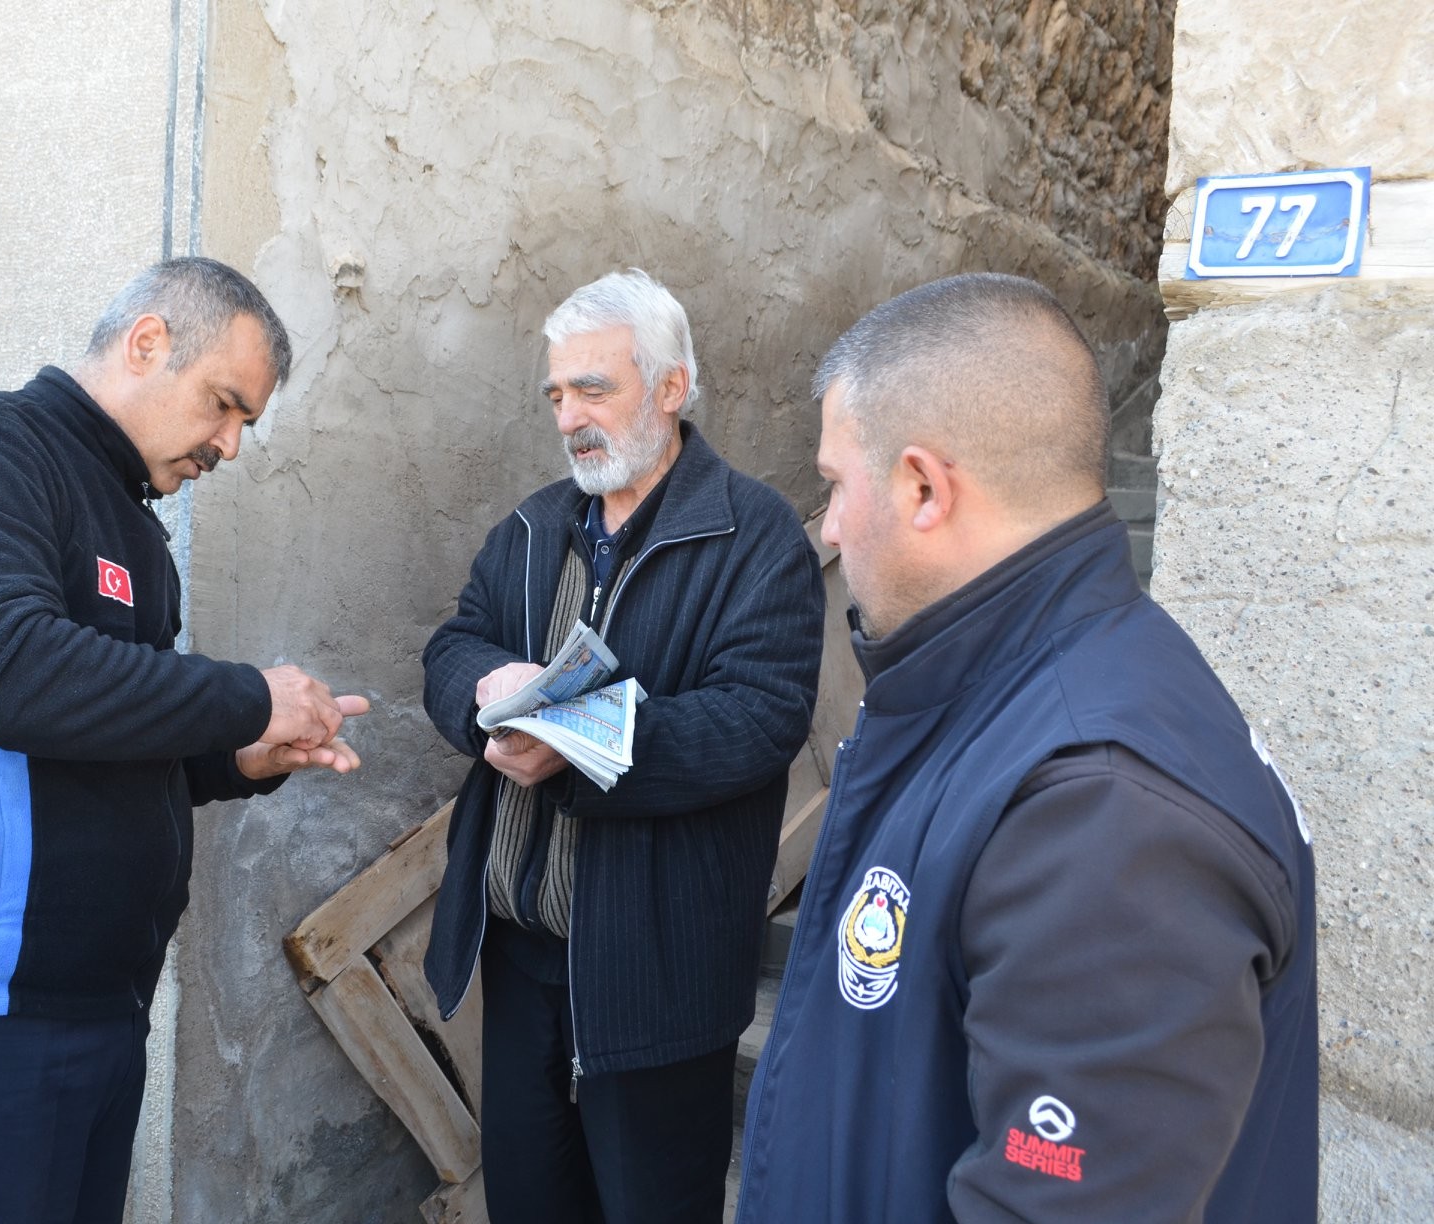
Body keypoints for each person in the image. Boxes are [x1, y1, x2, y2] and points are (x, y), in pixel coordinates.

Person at [735, 273, 1317, 1222]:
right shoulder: (1009, 695)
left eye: (836, 485)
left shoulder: (1103, 807)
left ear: (924, 487)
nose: (830, 527)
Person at [0, 257, 367, 1224]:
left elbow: (92, 738)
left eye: (247, 421)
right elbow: (0, 675)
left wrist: (232, 759)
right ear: (147, 342)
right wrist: (246, 699)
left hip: (96, 1013)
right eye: (223, 405)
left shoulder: (133, 521)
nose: (231, 446)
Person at [421, 269, 826, 1224]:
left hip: (659, 968)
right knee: (528, 1204)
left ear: (672, 388)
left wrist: (577, 740)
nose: (570, 417)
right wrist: (485, 688)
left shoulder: (756, 535)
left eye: (594, 389)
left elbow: (760, 718)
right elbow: (452, 644)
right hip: (520, 959)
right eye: (557, 394)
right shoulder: (531, 526)